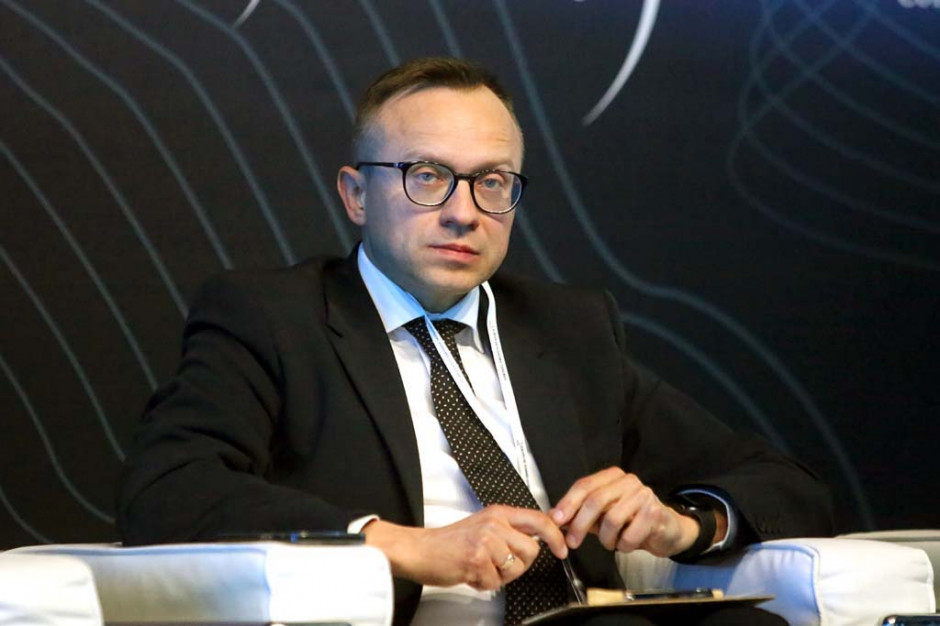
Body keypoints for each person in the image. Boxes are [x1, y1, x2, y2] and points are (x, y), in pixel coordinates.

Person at [117, 57, 834, 625]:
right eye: (427, 176)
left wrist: (685, 525)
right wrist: (403, 545)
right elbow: (167, 488)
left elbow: (786, 485)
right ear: (356, 195)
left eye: (491, 181)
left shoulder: (569, 327)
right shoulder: (273, 318)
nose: (463, 212)